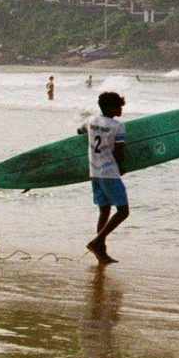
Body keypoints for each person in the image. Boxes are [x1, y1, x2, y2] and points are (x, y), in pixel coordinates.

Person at [79, 92, 129, 264]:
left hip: (94, 172)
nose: (121, 109)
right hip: (109, 172)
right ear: (109, 107)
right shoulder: (118, 126)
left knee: (105, 210)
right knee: (123, 211)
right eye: (118, 106)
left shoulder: (90, 121)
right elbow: (120, 150)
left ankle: (101, 253)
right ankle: (97, 241)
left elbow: (79, 132)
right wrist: (122, 166)